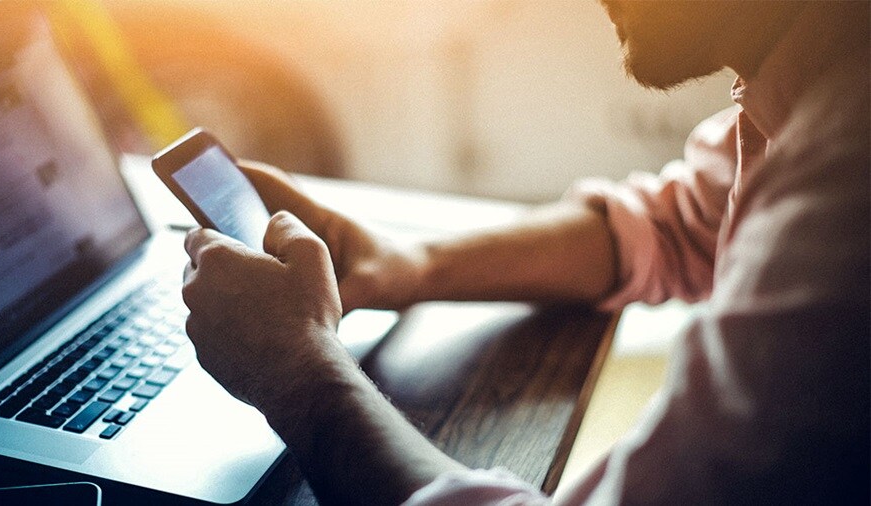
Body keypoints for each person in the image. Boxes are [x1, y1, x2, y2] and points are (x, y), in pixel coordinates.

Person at [180, 1, 869, 503]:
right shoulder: (811, 83)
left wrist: (299, 376)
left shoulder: (846, 181)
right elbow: (681, 223)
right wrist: (405, 266)